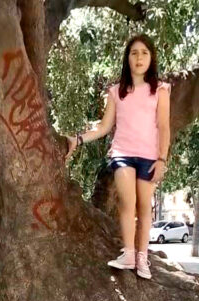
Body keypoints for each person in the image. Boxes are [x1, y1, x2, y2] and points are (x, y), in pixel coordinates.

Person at [65, 34, 171, 280]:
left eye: (144, 52)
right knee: (127, 202)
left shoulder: (160, 90)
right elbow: (103, 128)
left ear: (151, 57)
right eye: (134, 53)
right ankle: (129, 253)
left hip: (150, 156)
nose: (139, 57)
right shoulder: (116, 92)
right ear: (127, 58)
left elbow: (164, 127)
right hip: (122, 153)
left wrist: (163, 159)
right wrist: (77, 139)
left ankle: (143, 258)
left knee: (145, 207)